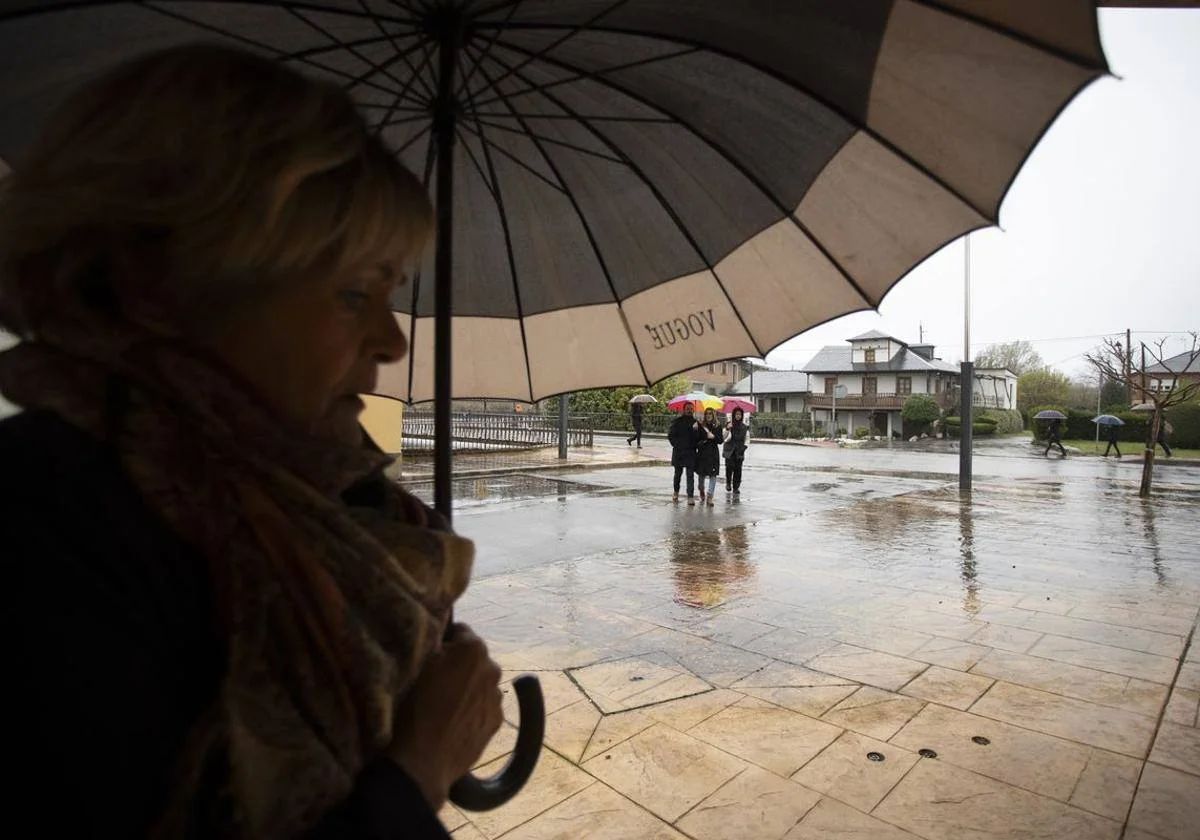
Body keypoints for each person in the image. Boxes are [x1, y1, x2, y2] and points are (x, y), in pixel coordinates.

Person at [0, 45, 503, 838]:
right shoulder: (43, 531)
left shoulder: (311, 496)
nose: (391, 342)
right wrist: (418, 772)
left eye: (388, 293)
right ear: (167, 283)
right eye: (351, 292)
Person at [668, 403, 700, 504]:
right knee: (678, 474)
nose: (689, 410)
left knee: (690, 475)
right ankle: (676, 492)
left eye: (691, 409)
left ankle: (690, 496)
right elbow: (671, 435)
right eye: (687, 409)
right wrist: (676, 445)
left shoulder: (696, 423)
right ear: (684, 409)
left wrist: (696, 430)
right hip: (679, 452)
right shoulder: (677, 422)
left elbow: (698, 439)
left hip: (690, 452)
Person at [695, 407, 722, 505]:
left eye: (710, 413)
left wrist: (714, 437)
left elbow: (720, 440)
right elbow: (696, 440)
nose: (709, 415)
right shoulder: (701, 426)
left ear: (713, 415)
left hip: (713, 454)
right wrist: (705, 439)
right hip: (703, 454)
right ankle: (701, 490)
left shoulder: (717, 426)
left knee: (713, 475)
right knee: (701, 476)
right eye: (707, 413)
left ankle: (710, 496)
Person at [723, 407, 750, 495]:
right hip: (729, 450)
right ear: (733, 415)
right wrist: (727, 428)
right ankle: (728, 483)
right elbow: (724, 436)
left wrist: (744, 447)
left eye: (739, 414)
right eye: (736, 414)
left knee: (738, 470)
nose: (738, 416)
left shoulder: (744, 427)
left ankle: (736, 487)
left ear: (741, 416)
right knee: (729, 467)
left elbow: (747, 439)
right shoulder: (729, 424)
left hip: (739, 451)